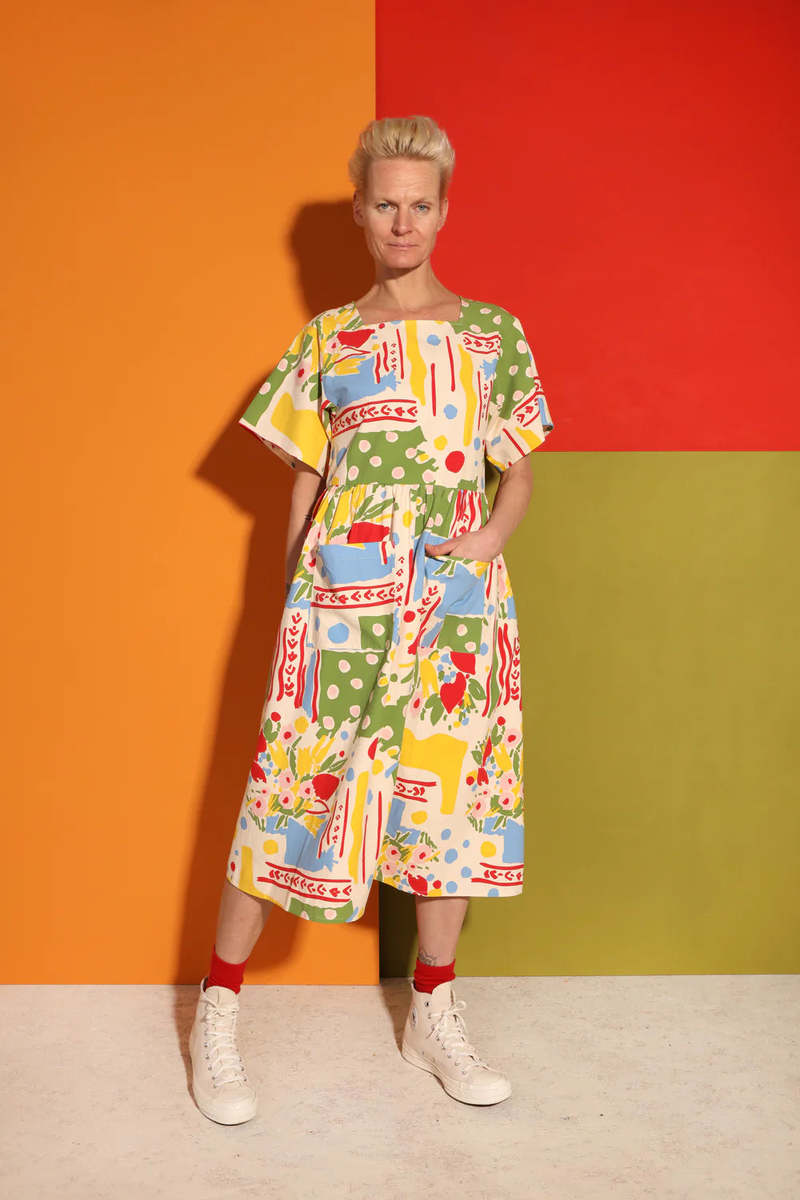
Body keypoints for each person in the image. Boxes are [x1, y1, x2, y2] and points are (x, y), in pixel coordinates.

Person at [189, 114, 554, 1124]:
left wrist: (487, 542)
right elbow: (306, 480)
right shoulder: (327, 340)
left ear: (443, 212)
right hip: (340, 609)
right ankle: (218, 1008)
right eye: (384, 203)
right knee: (289, 790)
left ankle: (433, 1012)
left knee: (449, 802)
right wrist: (293, 609)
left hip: (454, 605)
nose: (402, 221)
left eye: (419, 204)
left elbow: (517, 470)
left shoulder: (492, 334)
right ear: (359, 211)